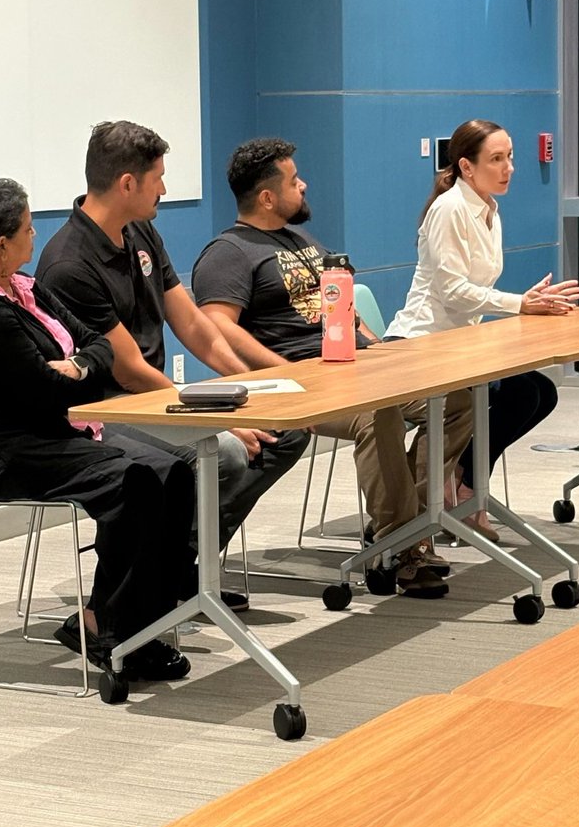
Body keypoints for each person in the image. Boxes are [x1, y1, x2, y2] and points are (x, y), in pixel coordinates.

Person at [35, 121, 309, 612]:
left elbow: (192, 323)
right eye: (158, 178)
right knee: (222, 453)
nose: (164, 189)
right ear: (128, 184)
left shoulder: (140, 230)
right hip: (106, 407)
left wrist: (247, 384)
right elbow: (128, 369)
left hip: (152, 398)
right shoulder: (69, 264)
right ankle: (166, 575)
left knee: (284, 428)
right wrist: (210, 419)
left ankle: (181, 564)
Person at [0, 178, 193, 681]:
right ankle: (113, 630)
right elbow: (51, 393)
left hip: (51, 432)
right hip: (0, 454)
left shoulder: (25, 287)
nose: (36, 235)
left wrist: (76, 365)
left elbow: (99, 344)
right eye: (28, 229)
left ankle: (135, 618)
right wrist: (80, 372)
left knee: (173, 471)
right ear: (1, 245)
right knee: (136, 482)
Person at [190, 138, 475, 599]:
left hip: (357, 366)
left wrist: (380, 350)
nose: (303, 185)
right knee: (378, 414)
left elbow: (343, 306)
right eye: (293, 180)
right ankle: (405, 549)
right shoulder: (229, 252)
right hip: (305, 382)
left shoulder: (302, 240)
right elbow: (217, 326)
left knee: (456, 402)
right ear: (267, 197)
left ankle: (408, 525)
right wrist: (287, 372)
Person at [384, 119, 579, 542]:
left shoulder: (489, 209)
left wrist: (527, 302)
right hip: (418, 345)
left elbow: (475, 290)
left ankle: (466, 482)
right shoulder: (450, 209)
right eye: (496, 159)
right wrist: (520, 304)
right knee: (519, 394)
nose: (508, 167)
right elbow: (453, 292)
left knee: (539, 391)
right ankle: (454, 493)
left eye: (510, 157)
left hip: (458, 347)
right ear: (466, 167)